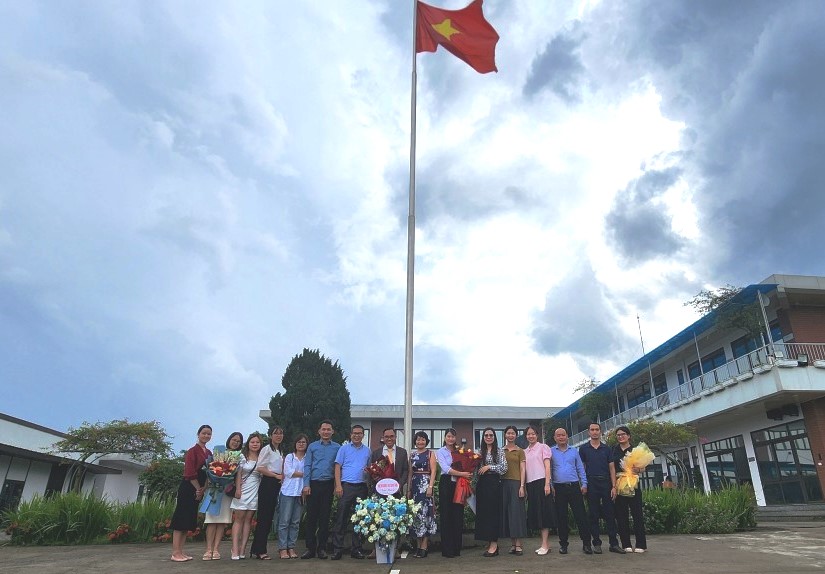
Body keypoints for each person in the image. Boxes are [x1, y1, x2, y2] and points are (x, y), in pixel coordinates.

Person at [578, 422, 625, 554]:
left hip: (606, 483)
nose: (594, 432)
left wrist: (614, 486)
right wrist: (583, 484)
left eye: (597, 429)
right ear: (589, 432)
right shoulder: (584, 449)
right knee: (593, 514)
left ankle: (613, 544)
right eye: (592, 430)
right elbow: (582, 468)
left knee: (610, 514)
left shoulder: (607, 449)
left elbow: (612, 468)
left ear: (600, 431)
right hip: (591, 483)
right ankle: (596, 543)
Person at [170, 424, 212, 562]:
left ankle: (181, 551)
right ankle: (175, 552)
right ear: (198, 434)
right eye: (204, 433)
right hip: (189, 487)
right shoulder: (192, 451)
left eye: (209, 434)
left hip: (200, 488)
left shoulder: (209, 453)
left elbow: (210, 472)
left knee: (187, 521)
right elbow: (189, 472)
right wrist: (198, 488)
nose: (206, 436)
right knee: (180, 519)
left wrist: (203, 488)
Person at [301, 420, 341, 559]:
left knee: (325, 517)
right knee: (311, 517)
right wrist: (306, 484)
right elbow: (307, 466)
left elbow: (338, 467)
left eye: (328, 429)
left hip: (328, 485)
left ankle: (322, 548)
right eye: (323, 429)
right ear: (319, 431)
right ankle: (310, 548)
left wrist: (336, 485)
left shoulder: (337, 447)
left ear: (332, 431)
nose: (326, 432)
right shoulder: (312, 446)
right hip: (313, 484)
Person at [330, 424, 371, 560]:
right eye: (354, 433)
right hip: (346, 487)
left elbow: (370, 469)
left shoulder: (368, 451)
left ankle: (356, 549)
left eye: (359, 433)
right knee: (341, 518)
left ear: (363, 435)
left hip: (362, 487)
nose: (357, 435)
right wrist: (338, 485)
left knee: (359, 520)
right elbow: (337, 467)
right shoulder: (344, 449)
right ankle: (337, 549)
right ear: (350, 434)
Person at [550, 427, 592, 555]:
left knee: (581, 516)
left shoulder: (574, 451)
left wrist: (584, 483)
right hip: (559, 488)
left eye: (563, 435)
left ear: (567, 436)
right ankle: (563, 544)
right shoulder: (551, 452)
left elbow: (580, 468)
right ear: (555, 438)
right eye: (558, 435)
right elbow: (549, 470)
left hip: (574, 487)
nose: (561, 437)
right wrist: (551, 485)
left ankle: (586, 544)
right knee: (561, 517)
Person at [203, 431, 242, 561]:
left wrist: (238, 489)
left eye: (238, 441)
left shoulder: (239, 457)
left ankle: (216, 549)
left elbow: (238, 475)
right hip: (214, 490)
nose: (235, 442)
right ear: (229, 439)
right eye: (234, 440)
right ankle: (208, 549)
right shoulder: (219, 452)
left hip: (226, 491)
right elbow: (209, 469)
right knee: (211, 521)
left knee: (222, 521)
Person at [435, 428, 472, 558]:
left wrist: (466, 472)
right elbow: (445, 468)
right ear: (445, 438)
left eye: (453, 436)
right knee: (446, 515)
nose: (450, 439)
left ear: (455, 438)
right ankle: (447, 549)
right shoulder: (440, 451)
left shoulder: (459, 451)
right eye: (448, 436)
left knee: (458, 514)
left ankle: (457, 548)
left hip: (459, 483)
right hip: (446, 483)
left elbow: (466, 464)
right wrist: (462, 473)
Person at [250, 426, 285, 560]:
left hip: (276, 483)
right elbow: (260, 467)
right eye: (276, 434)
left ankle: (256, 548)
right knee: (264, 517)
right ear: (271, 435)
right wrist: (275, 475)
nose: (278, 436)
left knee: (269, 517)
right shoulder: (267, 449)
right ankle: (260, 550)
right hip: (268, 482)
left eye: (281, 434)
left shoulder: (280, 450)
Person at [612, 425, 648, 553]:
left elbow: (643, 468)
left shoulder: (635, 450)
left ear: (628, 436)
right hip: (619, 485)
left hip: (633, 485)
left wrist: (637, 469)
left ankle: (641, 544)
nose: (621, 437)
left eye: (623, 434)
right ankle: (625, 544)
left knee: (637, 514)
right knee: (621, 516)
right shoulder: (613, 450)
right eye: (618, 435)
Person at [475, 427, 507, 557]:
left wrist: (489, 466)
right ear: (483, 437)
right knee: (484, 514)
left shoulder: (499, 451)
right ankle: (489, 543)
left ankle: (494, 544)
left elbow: (504, 468)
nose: (488, 437)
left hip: (493, 484)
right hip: (482, 484)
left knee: (493, 514)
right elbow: (475, 469)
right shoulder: (479, 452)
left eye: (491, 435)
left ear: (494, 437)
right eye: (486, 435)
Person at [230, 432, 263, 560]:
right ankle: (235, 549)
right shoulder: (242, 456)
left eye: (257, 442)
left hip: (255, 491)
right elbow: (238, 474)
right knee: (239, 519)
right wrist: (238, 489)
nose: (255, 444)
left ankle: (243, 549)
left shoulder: (262, 457)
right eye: (252, 442)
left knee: (248, 520)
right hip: (243, 490)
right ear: (248, 444)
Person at [524, 424, 555, 555]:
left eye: (533, 434)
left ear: (537, 435)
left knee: (544, 514)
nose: (531, 436)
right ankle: (544, 544)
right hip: (530, 484)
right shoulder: (524, 452)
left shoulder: (543, 447)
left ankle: (545, 544)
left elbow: (547, 466)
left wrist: (547, 484)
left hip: (542, 482)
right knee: (536, 514)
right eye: (528, 434)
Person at [278, 434, 308, 559]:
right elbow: (288, 472)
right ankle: (282, 548)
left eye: (303, 442)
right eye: (299, 442)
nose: (301, 444)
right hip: (288, 491)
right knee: (284, 521)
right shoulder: (290, 457)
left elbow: (309, 472)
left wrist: (302, 474)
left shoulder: (308, 458)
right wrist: (304, 474)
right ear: (295, 444)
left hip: (300, 493)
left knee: (295, 522)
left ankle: (291, 547)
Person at [408, 431, 437, 558]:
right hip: (415, 486)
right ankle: (418, 546)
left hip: (425, 485)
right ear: (415, 441)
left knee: (426, 514)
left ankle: (424, 546)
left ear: (426, 441)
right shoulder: (412, 455)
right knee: (416, 515)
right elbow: (410, 473)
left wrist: (430, 487)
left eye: (423, 440)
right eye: (418, 439)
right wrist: (408, 489)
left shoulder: (430, 453)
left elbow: (434, 471)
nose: (420, 442)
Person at [501, 425, 527, 556]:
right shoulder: (501, 451)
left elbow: (523, 469)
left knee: (517, 513)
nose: (510, 435)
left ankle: (518, 544)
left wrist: (522, 486)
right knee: (507, 514)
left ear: (516, 435)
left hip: (516, 483)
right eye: (508, 433)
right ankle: (512, 544)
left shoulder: (520, 451)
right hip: (503, 484)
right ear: (505, 435)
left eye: (513, 433)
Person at [369, 427, 409, 496]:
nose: (389, 439)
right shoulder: (376, 453)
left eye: (392, 436)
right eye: (386, 437)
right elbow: (372, 471)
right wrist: (377, 480)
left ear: (395, 437)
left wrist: (400, 484)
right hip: (381, 489)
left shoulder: (402, 452)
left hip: (397, 490)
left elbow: (405, 470)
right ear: (383, 438)